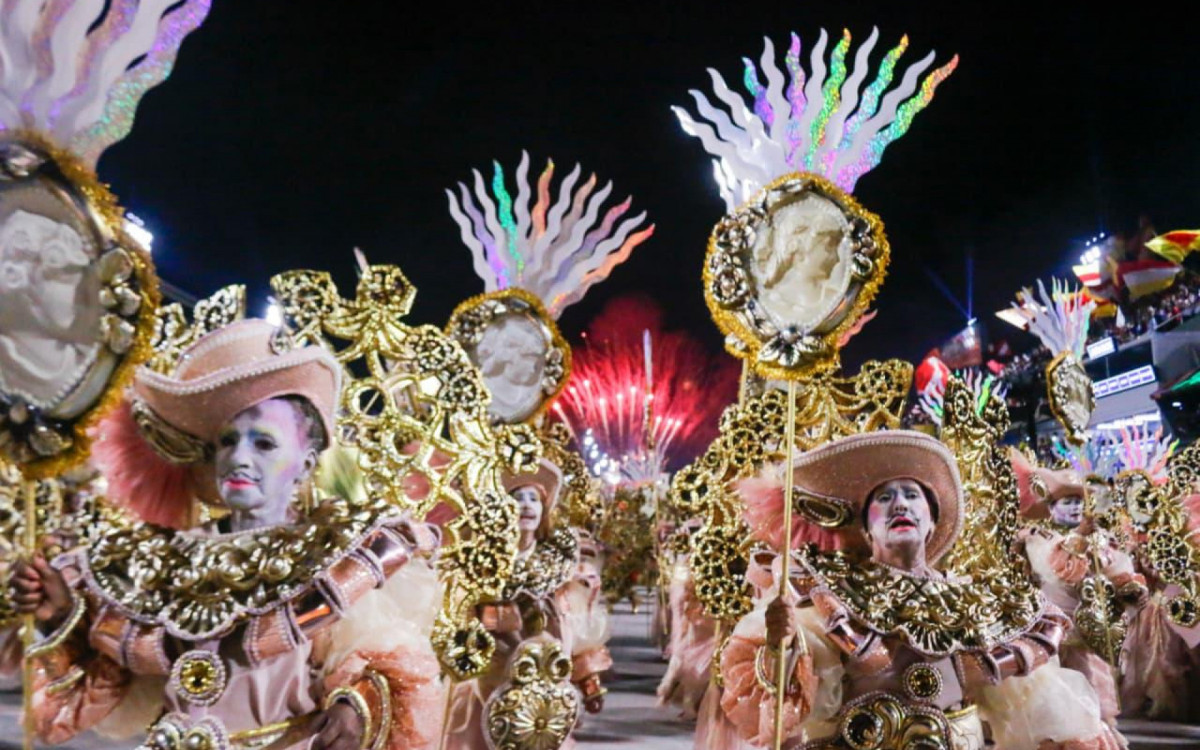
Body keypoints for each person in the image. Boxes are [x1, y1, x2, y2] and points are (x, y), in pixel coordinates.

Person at [9, 319, 445, 749]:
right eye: (228, 441)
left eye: (264, 444)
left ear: (306, 464)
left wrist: (355, 705)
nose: (239, 458)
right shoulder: (170, 556)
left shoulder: (333, 558)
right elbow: (120, 677)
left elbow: (379, 661)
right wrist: (61, 614)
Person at [718, 431, 1122, 750]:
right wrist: (782, 647)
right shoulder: (832, 595)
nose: (900, 505)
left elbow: (1028, 702)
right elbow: (797, 699)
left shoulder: (976, 602)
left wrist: (1076, 731)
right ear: (866, 529)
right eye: (884, 498)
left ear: (931, 523)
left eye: (912, 496)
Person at [442, 458, 610, 749]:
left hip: (542, 691)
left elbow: (575, 627)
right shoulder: (480, 561)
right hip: (486, 683)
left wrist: (589, 680)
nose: (526, 505)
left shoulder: (557, 564)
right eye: (518, 497)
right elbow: (458, 619)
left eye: (534, 498)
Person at [1011, 452, 1148, 731]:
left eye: (1079, 502)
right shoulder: (1038, 538)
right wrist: (1080, 538)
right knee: (1060, 701)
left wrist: (1129, 587)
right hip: (1051, 634)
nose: (1075, 508)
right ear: (1051, 507)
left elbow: (1115, 567)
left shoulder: (1097, 538)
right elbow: (1059, 569)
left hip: (1087, 632)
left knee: (1093, 695)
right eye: (1068, 502)